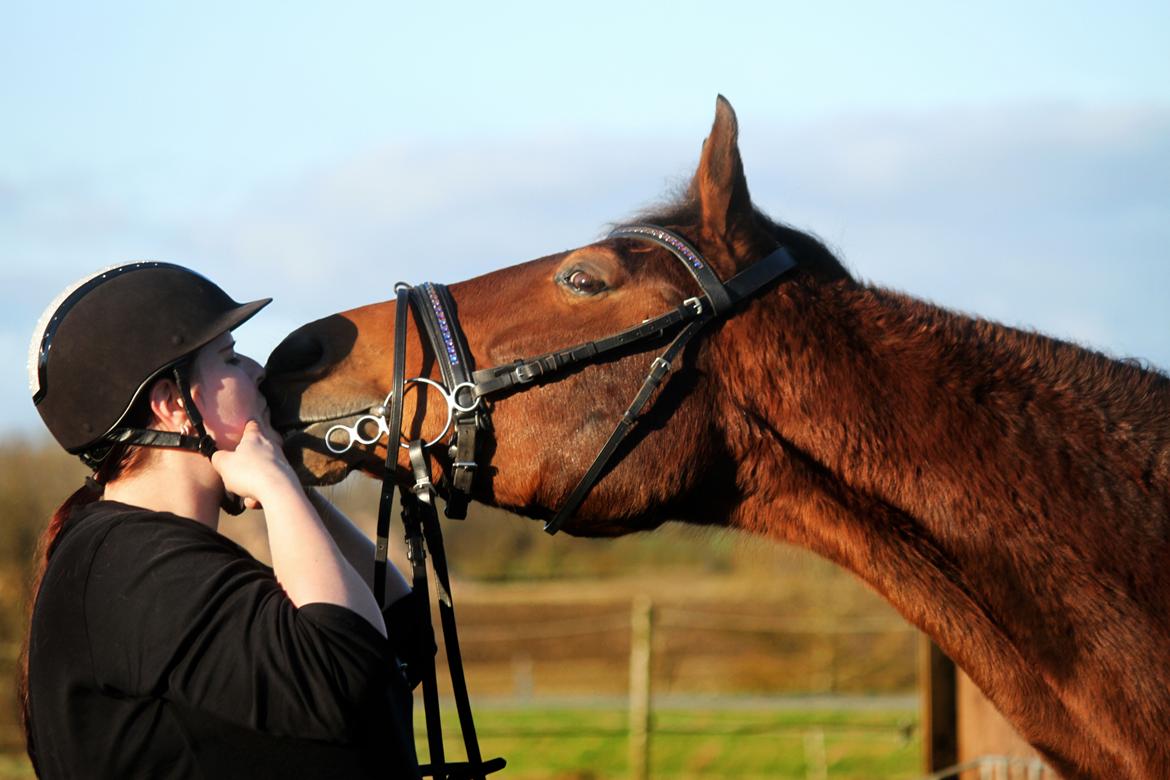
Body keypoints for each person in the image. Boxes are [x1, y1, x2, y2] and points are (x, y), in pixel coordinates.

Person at [21, 262, 430, 779]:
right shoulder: (127, 566)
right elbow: (353, 672)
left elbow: (400, 637)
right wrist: (277, 485)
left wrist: (293, 490)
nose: (258, 370)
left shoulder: (154, 558)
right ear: (172, 404)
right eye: (231, 357)